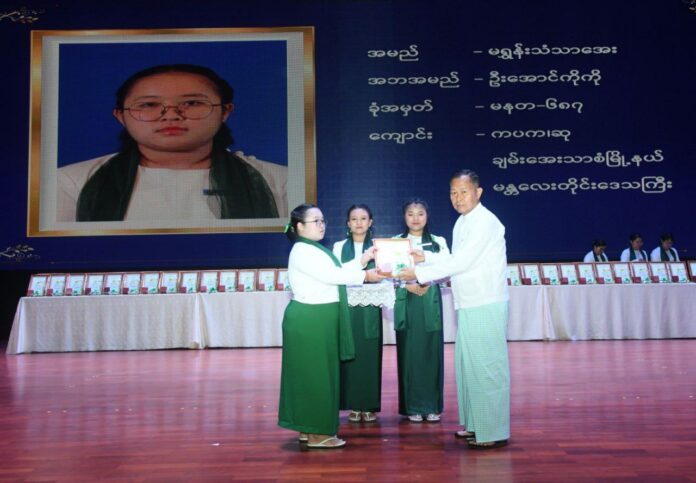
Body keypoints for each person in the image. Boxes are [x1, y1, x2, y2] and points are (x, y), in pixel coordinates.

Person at [57, 64, 287, 222]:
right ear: (120, 116)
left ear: (225, 112)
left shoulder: (281, 180)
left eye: (192, 103)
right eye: (149, 105)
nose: (171, 116)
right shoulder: (71, 181)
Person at [397, 170, 510, 449]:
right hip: (469, 302)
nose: (458, 198)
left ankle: (492, 431)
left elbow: (462, 262)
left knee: (487, 367)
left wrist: (419, 272)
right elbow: (455, 259)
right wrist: (426, 257)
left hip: (485, 301)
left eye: (464, 192)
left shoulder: (485, 222)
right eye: (453, 193)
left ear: (478, 192)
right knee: (469, 367)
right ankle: (476, 425)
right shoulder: (463, 222)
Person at [278, 203, 384, 449]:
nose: (321, 225)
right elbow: (333, 276)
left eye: (323, 220)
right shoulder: (304, 251)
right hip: (312, 319)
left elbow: (336, 270)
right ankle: (318, 435)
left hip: (316, 318)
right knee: (317, 376)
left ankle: (308, 428)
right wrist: (366, 275)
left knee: (310, 375)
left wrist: (364, 259)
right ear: (300, 226)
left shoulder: (311, 248)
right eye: (315, 221)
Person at [393, 199, 449, 423]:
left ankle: (432, 406)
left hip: (430, 297)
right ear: (404, 217)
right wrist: (406, 285)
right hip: (407, 299)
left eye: (420, 214)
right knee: (409, 352)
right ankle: (412, 407)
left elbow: (447, 269)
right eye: (410, 214)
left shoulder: (438, 242)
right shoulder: (395, 242)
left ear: (427, 216)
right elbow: (388, 272)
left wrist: (426, 281)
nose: (415, 218)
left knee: (431, 351)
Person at [332, 204, 383, 423]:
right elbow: (337, 274)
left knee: (370, 354)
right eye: (354, 219)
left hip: (370, 306)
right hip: (347, 307)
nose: (359, 223)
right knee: (349, 352)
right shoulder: (339, 247)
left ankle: (369, 404)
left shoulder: (380, 246)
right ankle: (353, 403)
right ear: (348, 223)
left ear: (370, 222)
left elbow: (388, 272)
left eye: (363, 218)